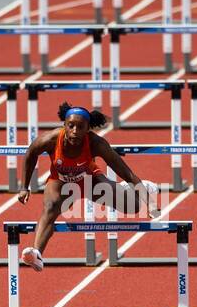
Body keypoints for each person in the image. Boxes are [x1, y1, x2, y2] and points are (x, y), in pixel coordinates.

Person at [16, 102, 157, 273]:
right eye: (71, 126)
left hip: (90, 181)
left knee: (133, 207)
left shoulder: (96, 143)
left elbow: (126, 172)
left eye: (80, 127)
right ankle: (37, 254)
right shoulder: (51, 139)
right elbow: (31, 153)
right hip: (60, 183)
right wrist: (24, 186)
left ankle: (142, 189)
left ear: (88, 129)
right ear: (64, 126)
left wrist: (148, 202)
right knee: (50, 208)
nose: (75, 131)